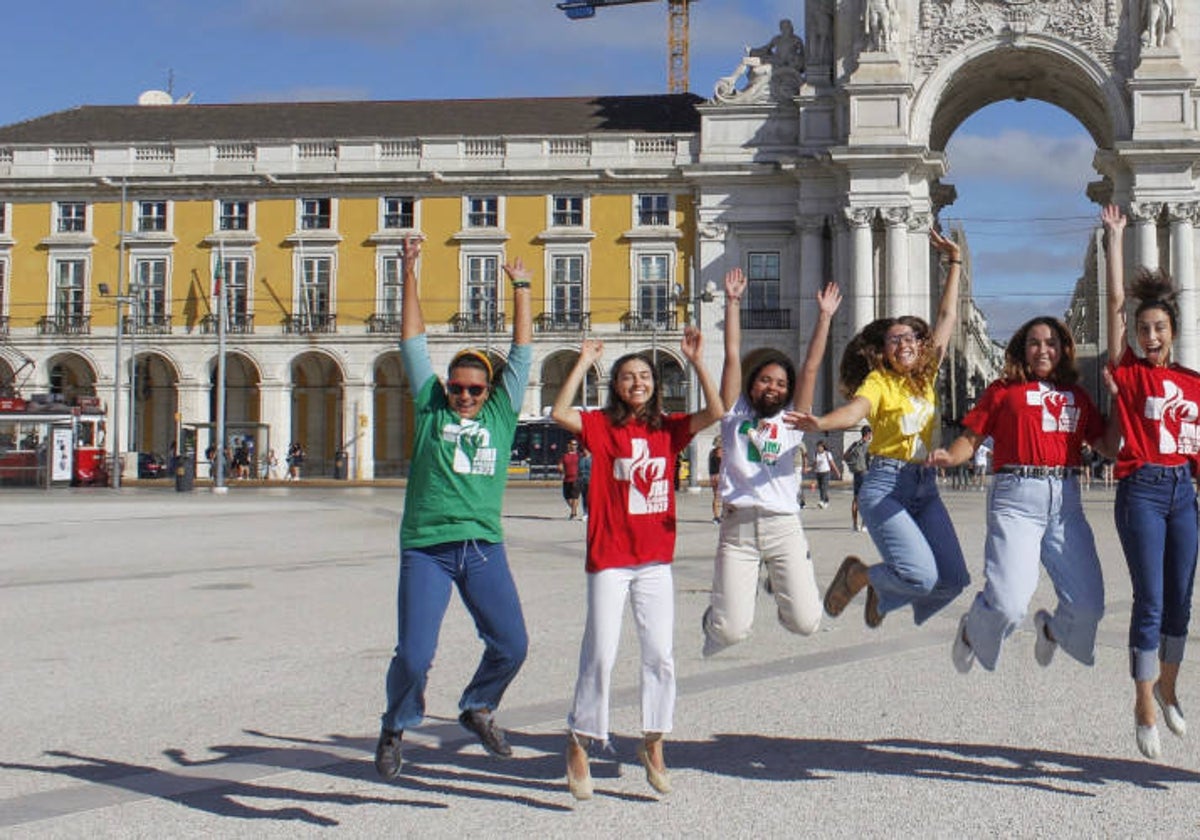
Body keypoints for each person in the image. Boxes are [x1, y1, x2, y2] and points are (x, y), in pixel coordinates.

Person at [374, 235, 535, 780]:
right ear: (446, 388)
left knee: (512, 645)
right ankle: (396, 724)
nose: (464, 395)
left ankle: (477, 706)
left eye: (474, 389)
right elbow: (413, 341)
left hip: (482, 546)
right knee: (415, 655)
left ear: (489, 392)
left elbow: (522, 354)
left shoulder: (500, 416)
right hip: (427, 548)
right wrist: (410, 271)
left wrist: (522, 290)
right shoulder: (429, 410)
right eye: (458, 387)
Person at [551, 327, 722, 801]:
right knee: (601, 652)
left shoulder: (669, 429)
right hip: (609, 558)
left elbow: (717, 411)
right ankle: (580, 739)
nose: (637, 382)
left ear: (654, 383)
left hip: (654, 561)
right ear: (617, 386)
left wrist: (698, 361)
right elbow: (559, 412)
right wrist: (584, 361)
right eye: (627, 377)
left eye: (644, 375)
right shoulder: (602, 428)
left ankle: (654, 742)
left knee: (660, 655)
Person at [791, 228, 968, 629]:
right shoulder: (879, 382)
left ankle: (883, 594)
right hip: (886, 485)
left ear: (921, 345)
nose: (903, 343)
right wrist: (820, 422)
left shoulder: (926, 375)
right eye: (893, 339)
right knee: (921, 574)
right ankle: (859, 577)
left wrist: (953, 261)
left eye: (909, 337)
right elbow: (855, 413)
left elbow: (947, 317)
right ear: (883, 351)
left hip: (924, 485)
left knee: (954, 580)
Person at [930, 316, 1108, 677]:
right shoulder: (1003, 390)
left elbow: (1106, 444)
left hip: (1065, 501)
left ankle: (1053, 629)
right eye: (1034, 342)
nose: (1043, 349)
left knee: (1089, 605)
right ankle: (972, 628)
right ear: (1022, 350)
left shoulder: (1077, 396)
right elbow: (972, 437)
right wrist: (951, 456)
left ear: (1063, 350)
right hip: (1016, 500)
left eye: (1051, 343)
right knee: (1010, 604)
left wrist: (1122, 400)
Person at [1101, 204, 1199, 760]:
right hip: (1141, 488)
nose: (1151, 335)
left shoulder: (1194, 383)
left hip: (1183, 493)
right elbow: (1117, 305)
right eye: (1144, 330)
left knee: (1182, 603)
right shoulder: (1131, 373)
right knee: (1152, 600)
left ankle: (1169, 687)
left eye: (1159, 328)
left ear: (1174, 332)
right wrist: (1116, 239)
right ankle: (1142, 702)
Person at [701, 269, 840, 658]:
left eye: (780, 383)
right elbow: (731, 353)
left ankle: (780, 592)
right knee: (728, 632)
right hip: (739, 526)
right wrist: (732, 303)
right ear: (751, 384)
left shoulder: (794, 420)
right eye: (765, 380)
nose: (773, 387)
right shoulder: (734, 411)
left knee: (806, 623)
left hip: (783, 525)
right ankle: (714, 616)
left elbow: (811, 366)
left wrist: (825, 316)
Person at [843, 426, 872, 531]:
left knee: (855, 499)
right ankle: (864, 525)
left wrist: (851, 465)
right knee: (865, 499)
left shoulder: (855, 444)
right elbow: (870, 461)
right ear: (868, 434)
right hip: (865, 473)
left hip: (856, 473)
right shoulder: (869, 446)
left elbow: (845, 456)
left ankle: (854, 525)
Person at [812, 439, 840, 508]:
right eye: (817, 446)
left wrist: (837, 472)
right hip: (818, 473)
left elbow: (832, 463)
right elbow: (814, 464)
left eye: (820, 446)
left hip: (826, 473)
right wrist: (810, 469)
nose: (818, 448)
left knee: (823, 487)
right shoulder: (816, 454)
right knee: (821, 488)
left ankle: (821, 501)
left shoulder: (827, 454)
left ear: (823, 447)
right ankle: (826, 501)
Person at [559, 438, 582, 519]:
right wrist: (560, 468)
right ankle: (574, 509)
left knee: (575, 496)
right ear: (569, 445)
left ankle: (573, 512)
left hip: (576, 478)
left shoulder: (579, 455)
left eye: (575, 444)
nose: (574, 446)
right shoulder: (565, 455)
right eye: (572, 444)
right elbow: (560, 464)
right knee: (567, 496)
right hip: (567, 478)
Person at [708, 437, 723, 524]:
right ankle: (721, 516)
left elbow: (710, 465)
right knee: (724, 496)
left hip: (713, 476)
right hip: (719, 476)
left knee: (716, 497)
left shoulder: (711, 452)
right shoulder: (721, 452)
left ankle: (716, 516)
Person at [577, 445, 592, 521]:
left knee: (591, 498)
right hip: (582, 480)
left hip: (591, 480)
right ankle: (585, 513)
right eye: (583, 449)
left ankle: (591, 513)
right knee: (584, 497)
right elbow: (578, 470)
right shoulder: (581, 459)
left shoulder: (593, 459)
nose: (584, 451)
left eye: (586, 449)